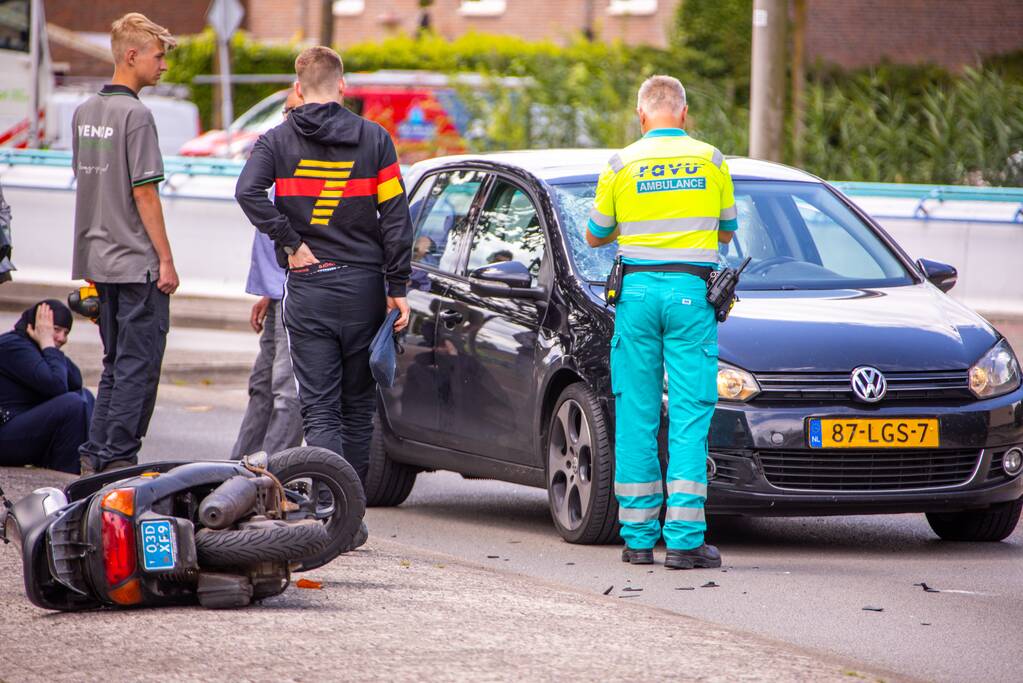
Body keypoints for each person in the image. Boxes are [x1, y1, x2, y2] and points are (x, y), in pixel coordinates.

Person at [235, 46, 413, 487]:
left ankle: (332, 509)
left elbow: (247, 192)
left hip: (309, 286)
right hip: (364, 289)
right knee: (358, 407)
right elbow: (395, 218)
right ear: (342, 86)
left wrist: (291, 242)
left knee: (319, 410)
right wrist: (398, 286)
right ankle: (350, 512)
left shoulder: (274, 140)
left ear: (297, 89)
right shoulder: (375, 140)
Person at [586, 75, 737, 570]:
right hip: (692, 296)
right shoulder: (712, 160)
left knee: (637, 413)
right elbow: (728, 229)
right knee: (691, 412)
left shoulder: (621, 163)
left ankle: (636, 538)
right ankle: (685, 541)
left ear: (641, 115)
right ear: (685, 114)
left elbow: (594, 235)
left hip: (636, 294)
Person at [71, 13, 179, 475]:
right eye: (158, 57)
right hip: (136, 264)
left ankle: (96, 453)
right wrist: (166, 260)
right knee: (139, 364)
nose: (164, 66)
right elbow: (143, 192)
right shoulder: (136, 116)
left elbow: (87, 182)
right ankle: (118, 460)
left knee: (115, 362)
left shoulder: (84, 112)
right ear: (131, 56)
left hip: (97, 258)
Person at [232, 88, 305, 459]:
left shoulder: (307, 157)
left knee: (285, 389)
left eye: (295, 111)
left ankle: (274, 473)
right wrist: (266, 290)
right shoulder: (280, 149)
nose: (286, 119)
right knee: (262, 386)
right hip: (276, 290)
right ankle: (235, 469)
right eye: (285, 111)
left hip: (295, 292)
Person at [0, 301, 94, 474]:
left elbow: (75, 381)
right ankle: (66, 476)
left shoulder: (37, 347)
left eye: (65, 333)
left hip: (23, 430)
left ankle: (85, 464)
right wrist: (48, 344)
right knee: (73, 404)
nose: (61, 338)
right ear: (36, 326)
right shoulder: (12, 345)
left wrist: (49, 347)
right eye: (55, 329)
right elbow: (57, 386)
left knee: (85, 396)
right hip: (5, 433)